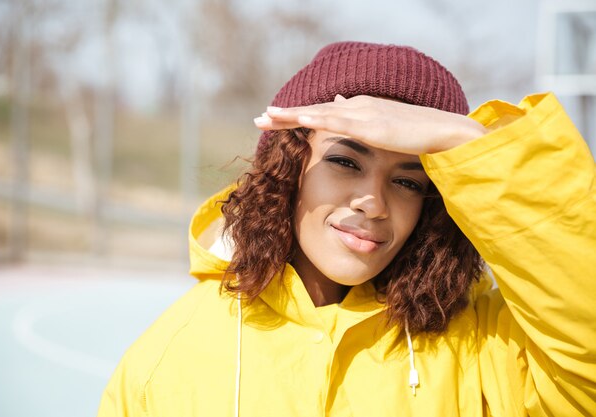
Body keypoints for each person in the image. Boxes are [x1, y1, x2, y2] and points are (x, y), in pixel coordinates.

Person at [97, 41, 596, 417]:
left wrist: (464, 138)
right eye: (345, 161)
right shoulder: (167, 358)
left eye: (407, 180)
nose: (374, 203)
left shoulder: (487, 346)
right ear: (288, 170)